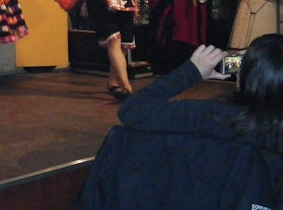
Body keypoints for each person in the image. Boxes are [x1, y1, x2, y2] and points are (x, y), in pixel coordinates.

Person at [119, 35, 283, 156]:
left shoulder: (214, 115)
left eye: (242, 61)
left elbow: (133, 110)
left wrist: (191, 72)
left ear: (248, 75)